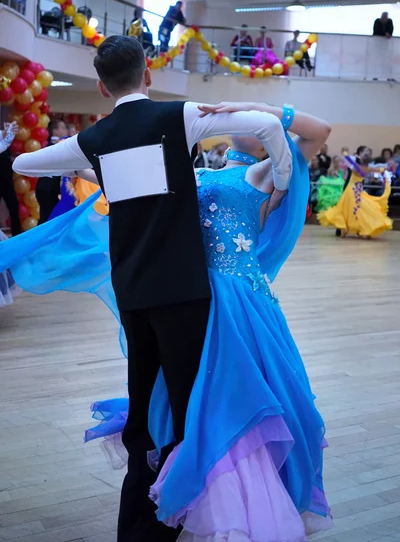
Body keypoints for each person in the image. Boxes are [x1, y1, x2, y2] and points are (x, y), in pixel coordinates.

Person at [2, 100, 332, 541]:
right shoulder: (191, 171)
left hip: (237, 303)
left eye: (252, 125)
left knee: (234, 397)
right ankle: (191, 489)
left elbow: (319, 129)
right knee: (185, 398)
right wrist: (73, 160)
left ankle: (237, 502)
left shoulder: (268, 171)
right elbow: (112, 173)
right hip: (185, 296)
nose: (242, 125)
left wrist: (254, 108)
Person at [318, 147, 393, 238]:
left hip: (350, 190)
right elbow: (381, 168)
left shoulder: (356, 167)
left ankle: (344, 228)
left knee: (346, 209)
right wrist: (385, 167)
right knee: (359, 209)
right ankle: (360, 229)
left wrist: (345, 152)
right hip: (359, 190)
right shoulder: (368, 168)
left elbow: (345, 158)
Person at [35, 119, 68, 225]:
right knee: (47, 219)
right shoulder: (52, 146)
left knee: (49, 218)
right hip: (46, 189)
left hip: (52, 190)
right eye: (62, 128)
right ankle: (39, 240)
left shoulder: (60, 146)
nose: (65, 131)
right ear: (54, 131)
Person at [0, 121, 21, 237]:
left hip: (7, 182)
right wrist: (10, 133)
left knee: (14, 207)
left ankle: (16, 235)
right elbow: (4, 144)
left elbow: (4, 145)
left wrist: (8, 132)